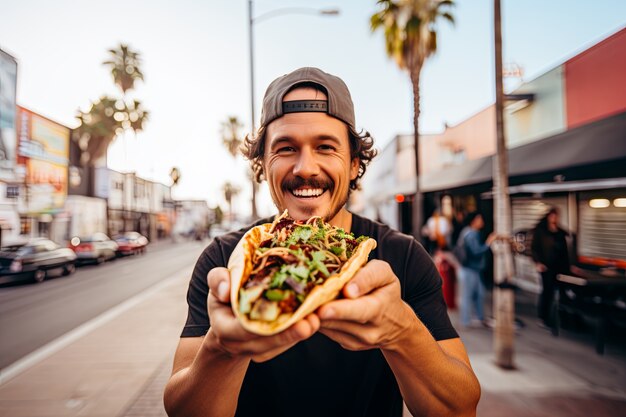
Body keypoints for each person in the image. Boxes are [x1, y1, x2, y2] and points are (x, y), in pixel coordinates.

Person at [163, 67, 480, 417]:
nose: (305, 167)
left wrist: (401, 331)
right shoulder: (224, 259)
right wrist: (223, 348)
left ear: (355, 163)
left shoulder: (403, 257)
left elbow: (460, 410)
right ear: (262, 165)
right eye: (285, 148)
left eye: (326, 147)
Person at [531, 207, 572, 328]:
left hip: (560, 267)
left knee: (563, 292)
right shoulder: (541, 231)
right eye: (552, 216)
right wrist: (538, 263)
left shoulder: (560, 233)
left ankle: (564, 319)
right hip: (546, 267)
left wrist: (570, 267)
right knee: (547, 292)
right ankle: (543, 317)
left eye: (556, 216)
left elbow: (564, 252)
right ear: (548, 217)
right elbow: (534, 249)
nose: (554, 218)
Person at [457, 211, 496, 328]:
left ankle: (479, 317)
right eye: (479, 219)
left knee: (479, 294)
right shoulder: (472, 234)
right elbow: (476, 251)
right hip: (470, 269)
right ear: (474, 221)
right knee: (468, 295)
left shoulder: (466, 231)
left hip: (470, 268)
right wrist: (489, 243)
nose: (482, 222)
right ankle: (465, 321)